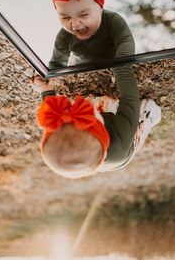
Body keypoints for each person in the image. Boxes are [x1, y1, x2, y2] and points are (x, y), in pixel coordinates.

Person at [31, 65, 161, 179]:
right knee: (145, 107)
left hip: (98, 154)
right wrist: (119, 65)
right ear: (101, 128)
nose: (68, 115)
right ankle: (149, 119)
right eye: (90, 117)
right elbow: (129, 97)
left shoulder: (61, 131)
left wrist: (46, 91)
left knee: (101, 103)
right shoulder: (120, 143)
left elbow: (55, 116)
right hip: (122, 152)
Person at [46, 0, 135, 69]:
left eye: (84, 15)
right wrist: (51, 81)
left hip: (115, 68)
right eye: (66, 17)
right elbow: (56, 64)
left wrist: (123, 68)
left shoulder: (112, 21)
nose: (75, 24)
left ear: (100, 7)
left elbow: (125, 42)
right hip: (82, 73)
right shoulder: (64, 36)